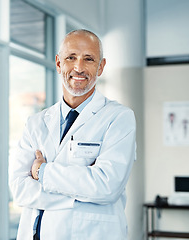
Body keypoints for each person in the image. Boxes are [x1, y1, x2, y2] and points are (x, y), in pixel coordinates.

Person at [9, 29, 136, 240]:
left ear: (101, 66)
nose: (79, 67)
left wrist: (42, 172)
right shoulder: (36, 122)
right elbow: (19, 189)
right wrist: (79, 195)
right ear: (59, 63)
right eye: (71, 57)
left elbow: (106, 186)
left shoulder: (119, 118)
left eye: (88, 59)